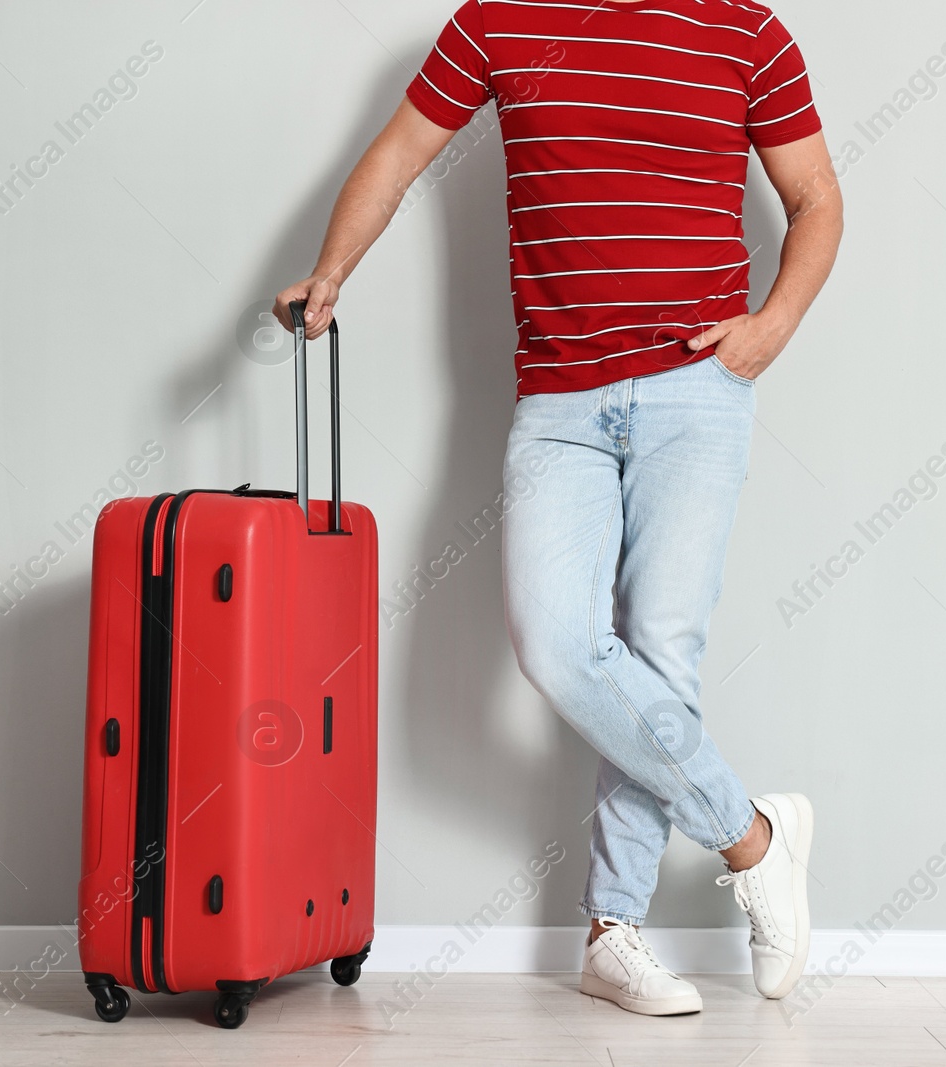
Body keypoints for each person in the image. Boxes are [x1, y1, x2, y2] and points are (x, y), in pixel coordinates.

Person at [275, 0, 842, 1014]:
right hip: (559, 398)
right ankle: (753, 836)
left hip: (694, 390)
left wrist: (775, 325)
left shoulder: (743, 30)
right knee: (561, 645)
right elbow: (399, 153)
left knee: (660, 653)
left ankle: (610, 933)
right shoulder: (497, 19)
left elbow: (814, 196)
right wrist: (331, 271)